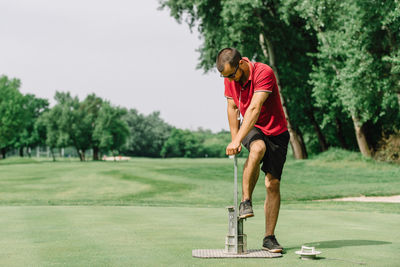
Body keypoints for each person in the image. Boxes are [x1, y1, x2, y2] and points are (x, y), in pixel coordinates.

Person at [216, 47, 290, 253]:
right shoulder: (229, 78)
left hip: (276, 131)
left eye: (232, 75)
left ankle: (269, 238)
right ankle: (245, 201)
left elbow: (254, 109)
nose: (230, 80)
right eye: (225, 77)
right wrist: (235, 139)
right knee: (257, 148)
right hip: (252, 128)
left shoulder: (263, 72)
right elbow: (232, 108)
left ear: (241, 64)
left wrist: (238, 139)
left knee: (272, 184)